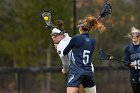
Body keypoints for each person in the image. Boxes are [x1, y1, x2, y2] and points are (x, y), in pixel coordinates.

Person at [63, 15, 106, 93]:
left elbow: (64, 52)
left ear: (80, 28)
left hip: (76, 71)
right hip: (88, 73)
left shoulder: (75, 38)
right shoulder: (93, 41)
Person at [51, 20, 87, 93]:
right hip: (86, 68)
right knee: (82, 89)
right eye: (51, 35)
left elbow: (66, 64)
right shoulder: (69, 38)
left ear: (61, 35)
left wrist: (64, 70)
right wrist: (58, 46)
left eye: (55, 35)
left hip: (77, 70)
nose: (52, 37)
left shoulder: (60, 46)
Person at [124, 26, 140, 93]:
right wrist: (129, 64)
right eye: (132, 34)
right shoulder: (127, 48)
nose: (134, 35)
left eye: (136, 34)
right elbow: (125, 62)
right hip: (134, 75)